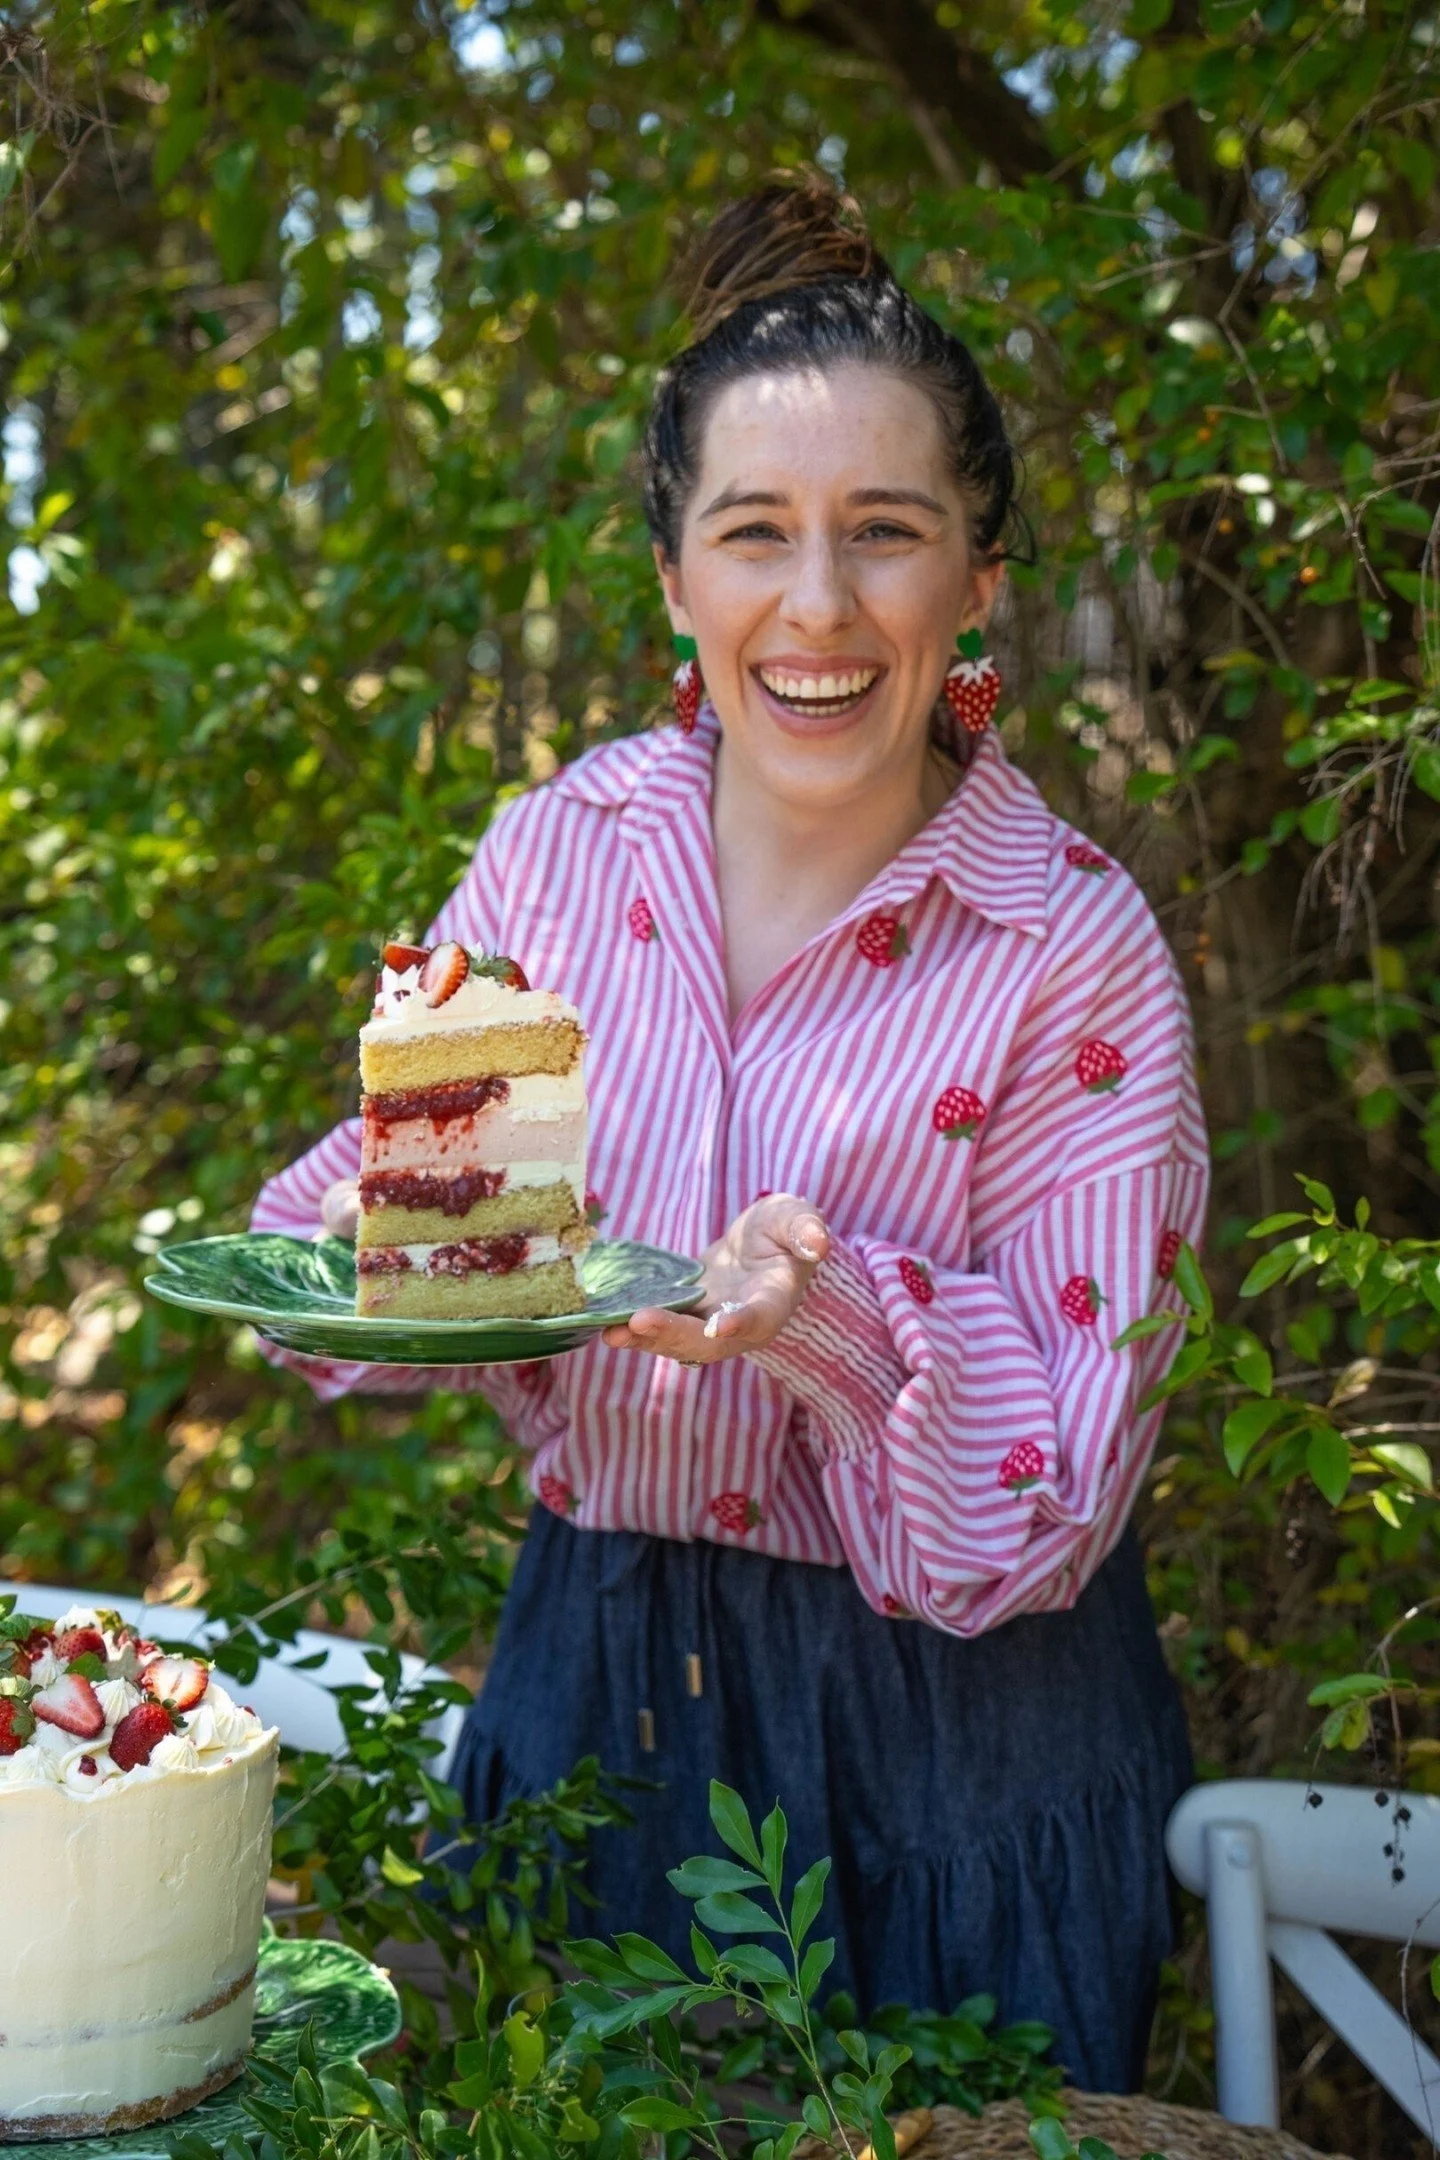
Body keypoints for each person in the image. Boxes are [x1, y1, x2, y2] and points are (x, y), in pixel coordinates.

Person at [251, 175, 1209, 2091]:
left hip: (962, 1744)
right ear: (677, 579)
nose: (820, 604)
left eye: (887, 534)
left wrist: (818, 1319)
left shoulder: (1071, 945)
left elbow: (1055, 1490)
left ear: (981, 579)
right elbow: (401, 1246)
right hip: (593, 1682)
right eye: (755, 533)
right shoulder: (562, 849)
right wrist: (401, 1238)